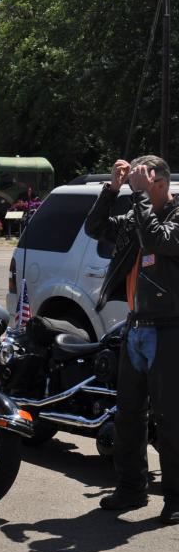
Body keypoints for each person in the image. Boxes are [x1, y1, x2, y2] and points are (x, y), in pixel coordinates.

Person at [84, 155, 179, 525]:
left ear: (159, 183)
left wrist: (138, 195)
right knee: (128, 415)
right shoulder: (135, 216)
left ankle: (175, 498)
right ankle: (130, 489)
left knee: (169, 418)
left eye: (143, 180)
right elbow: (95, 227)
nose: (136, 185)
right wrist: (111, 190)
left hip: (170, 328)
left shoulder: (174, 217)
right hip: (136, 326)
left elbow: (157, 240)